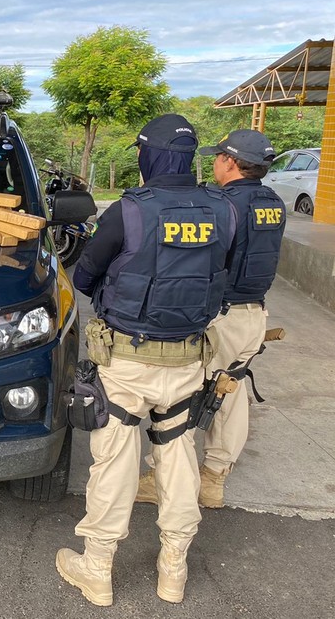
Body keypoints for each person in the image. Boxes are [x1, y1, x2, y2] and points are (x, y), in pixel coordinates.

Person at [56, 114, 236, 607]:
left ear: (146, 156)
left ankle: (97, 570)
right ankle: (172, 572)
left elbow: (86, 275)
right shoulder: (224, 210)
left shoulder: (129, 210)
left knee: (114, 459)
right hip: (187, 361)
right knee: (177, 458)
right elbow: (226, 272)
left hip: (127, 361)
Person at [136, 129, 284, 508]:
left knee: (181, 396)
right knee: (230, 393)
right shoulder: (274, 202)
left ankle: (162, 479)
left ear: (231, 162)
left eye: (219, 157)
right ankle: (213, 481)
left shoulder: (224, 204)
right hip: (252, 314)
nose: (215, 163)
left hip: (218, 316)